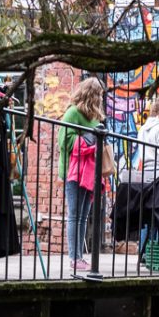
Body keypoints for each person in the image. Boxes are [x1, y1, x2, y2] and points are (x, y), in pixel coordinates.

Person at [57, 76, 105, 271]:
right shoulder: (72, 113)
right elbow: (63, 142)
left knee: (84, 216)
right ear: (92, 95)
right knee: (75, 215)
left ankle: (79, 257)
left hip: (89, 172)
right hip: (74, 171)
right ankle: (73, 258)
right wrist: (88, 139)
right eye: (99, 95)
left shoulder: (94, 116)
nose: (101, 99)